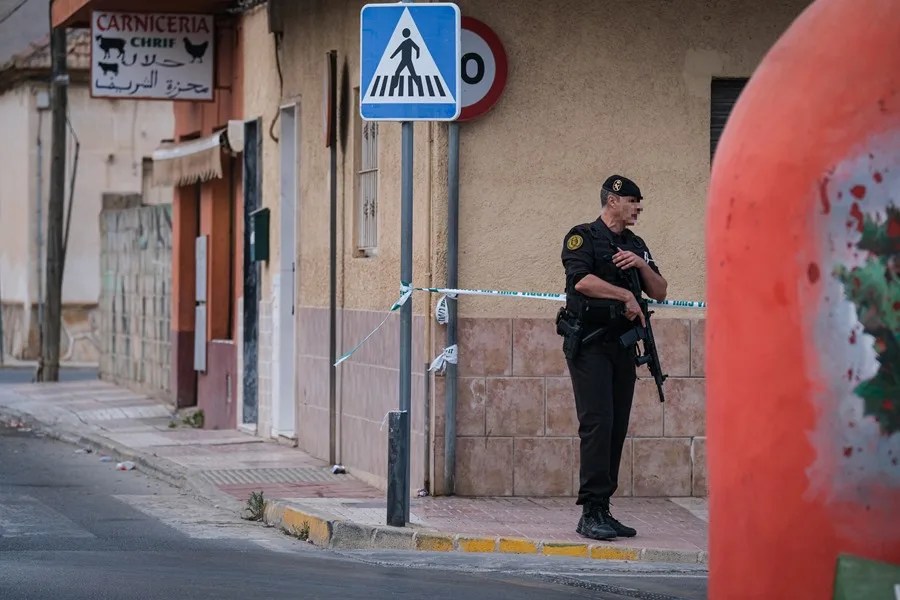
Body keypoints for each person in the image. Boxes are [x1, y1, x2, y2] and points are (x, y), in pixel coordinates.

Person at [558, 174, 668, 541]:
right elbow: (581, 281)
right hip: (590, 346)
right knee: (598, 424)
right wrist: (625, 296)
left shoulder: (635, 244)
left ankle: (604, 506)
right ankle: (589, 512)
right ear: (613, 201)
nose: (638, 208)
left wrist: (640, 265)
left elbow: (661, 291)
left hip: (622, 347)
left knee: (616, 425)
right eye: (634, 201)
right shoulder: (583, 236)